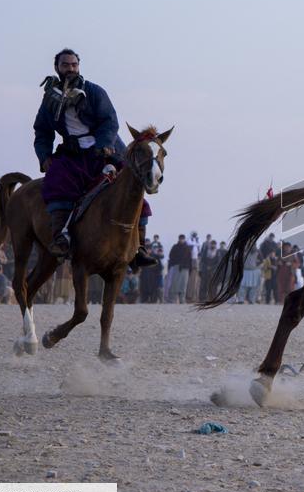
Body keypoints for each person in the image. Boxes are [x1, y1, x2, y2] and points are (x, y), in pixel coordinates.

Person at [33, 48, 155, 267]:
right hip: (72, 154)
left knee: (131, 188)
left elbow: (110, 121)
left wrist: (104, 146)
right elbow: (42, 131)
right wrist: (44, 156)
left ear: (79, 66)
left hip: (103, 150)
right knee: (57, 184)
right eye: (65, 65)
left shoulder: (94, 92)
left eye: (73, 65)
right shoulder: (50, 99)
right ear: (57, 68)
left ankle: (139, 248)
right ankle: (61, 239)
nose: (70, 68)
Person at [166, 234, 193, 303]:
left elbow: (190, 260)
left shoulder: (187, 248)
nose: (181, 240)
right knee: (175, 284)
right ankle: (173, 299)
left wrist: (190, 269)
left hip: (185, 268)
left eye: (183, 238)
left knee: (183, 285)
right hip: (176, 267)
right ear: (179, 239)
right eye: (180, 238)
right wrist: (171, 266)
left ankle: (182, 300)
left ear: (184, 239)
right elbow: (171, 257)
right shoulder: (175, 247)